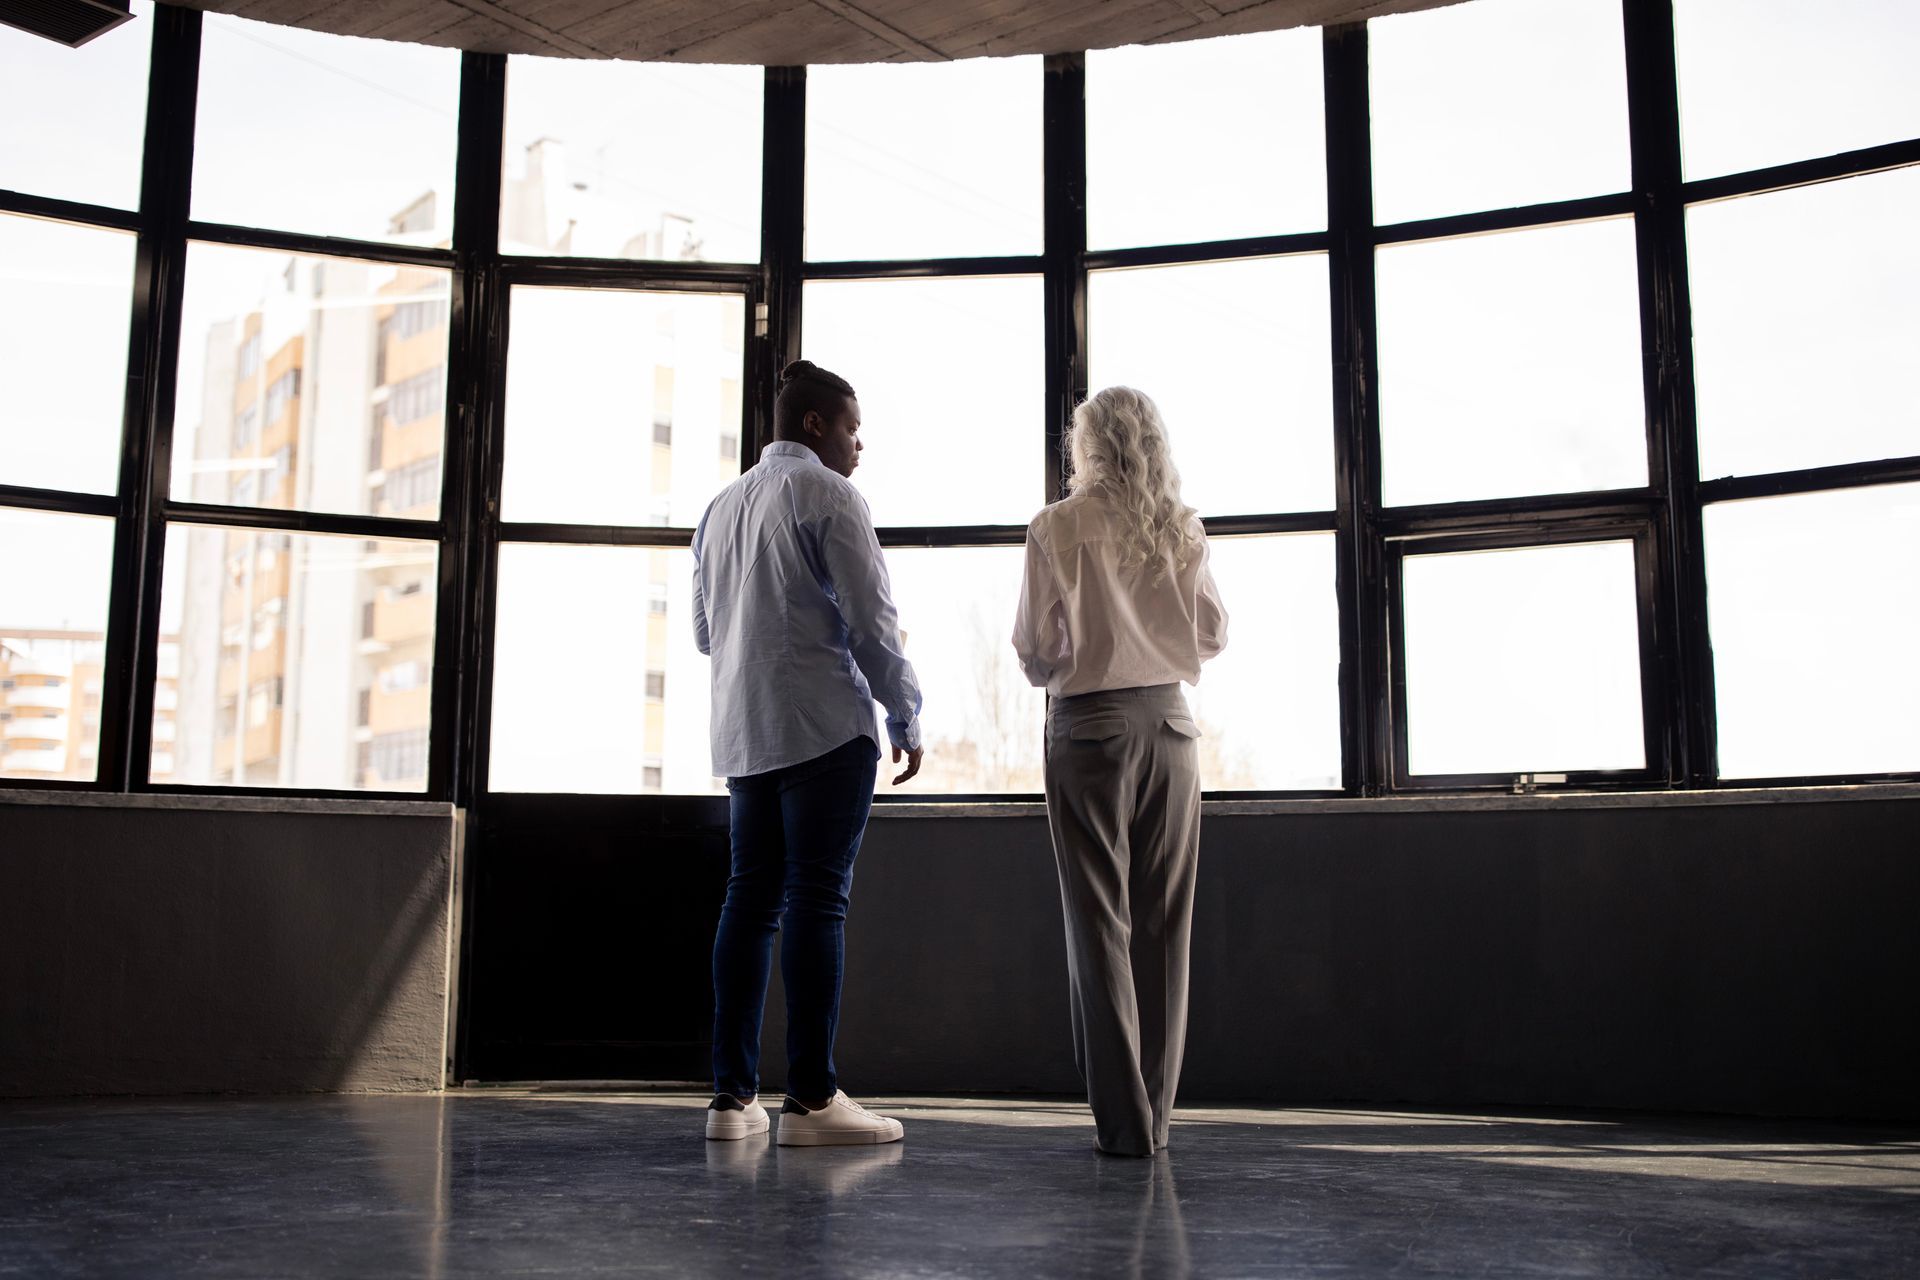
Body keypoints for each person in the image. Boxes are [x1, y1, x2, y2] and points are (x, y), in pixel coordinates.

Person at [692, 359, 924, 1147]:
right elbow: (872, 622)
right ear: (818, 425)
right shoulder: (831, 494)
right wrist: (907, 712)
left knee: (749, 902)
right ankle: (813, 1102)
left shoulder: (719, 509)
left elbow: (703, 634)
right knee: (818, 901)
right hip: (825, 729)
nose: (862, 447)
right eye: (854, 430)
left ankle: (731, 1103)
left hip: (747, 734)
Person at [1012, 386, 1227, 1158]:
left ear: (1088, 444)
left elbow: (1035, 650)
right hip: (1171, 728)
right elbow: (1212, 633)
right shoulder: (1180, 526)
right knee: (1168, 927)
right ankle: (1158, 1121)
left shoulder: (1056, 526)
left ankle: (1125, 1127)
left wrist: (1086, 653)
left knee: (1099, 927)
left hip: (1091, 730)